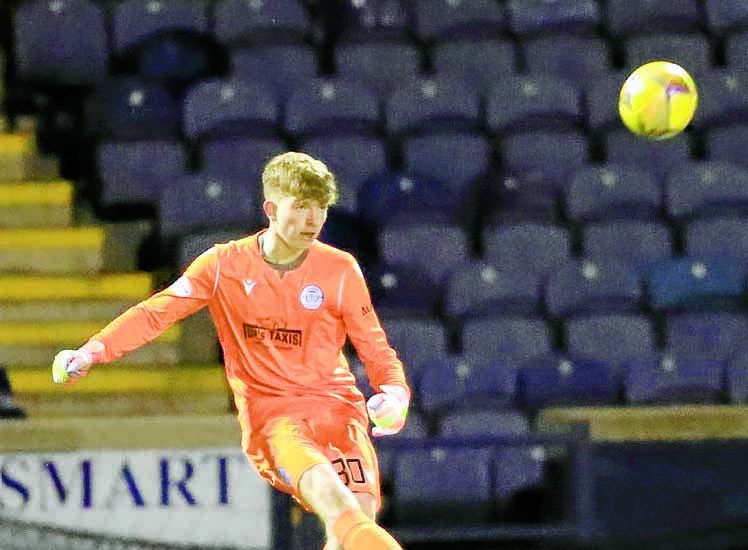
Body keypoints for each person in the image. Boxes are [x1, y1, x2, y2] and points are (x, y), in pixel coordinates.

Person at [52, 152, 410, 550]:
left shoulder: (340, 269)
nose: (314, 221)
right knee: (338, 506)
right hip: (276, 421)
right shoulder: (224, 266)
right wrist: (92, 351)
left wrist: (395, 394)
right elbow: (157, 312)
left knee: (353, 527)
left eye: (321, 209)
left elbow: (375, 346)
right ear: (271, 209)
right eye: (302, 208)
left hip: (339, 410)